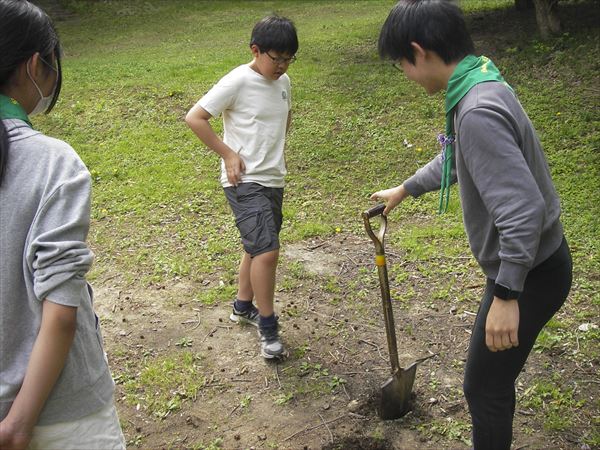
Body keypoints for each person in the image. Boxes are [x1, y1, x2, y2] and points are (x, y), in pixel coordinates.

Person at [371, 1, 572, 449]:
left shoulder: (476, 108)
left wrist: (506, 296)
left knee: (485, 388)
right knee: (490, 383)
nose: (405, 74)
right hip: (534, 264)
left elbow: (523, 211)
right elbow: (458, 154)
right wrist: (406, 188)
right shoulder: (480, 80)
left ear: (419, 51)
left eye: (402, 63)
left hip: (529, 273)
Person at [0, 1, 126, 449]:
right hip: (61, 415)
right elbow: (59, 313)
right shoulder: (53, 163)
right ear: (35, 65)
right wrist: (17, 425)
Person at [185, 15, 298, 359]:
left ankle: (243, 305)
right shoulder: (238, 80)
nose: (281, 65)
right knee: (267, 251)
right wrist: (228, 153)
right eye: (275, 58)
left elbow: (285, 119)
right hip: (243, 181)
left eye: (288, 58)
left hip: (272, 178)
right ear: (255, 50)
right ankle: (268, 329)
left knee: (256, 247)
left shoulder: (284, 83)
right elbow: (195, 117)